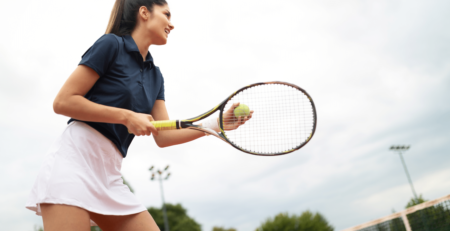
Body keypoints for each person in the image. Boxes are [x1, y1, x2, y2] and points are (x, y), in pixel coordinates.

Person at [25, 0, 250, 230]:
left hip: (110, 174)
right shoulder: (110, 45)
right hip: (72, 163)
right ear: (144, 12)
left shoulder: (156, 76)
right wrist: (127, 116)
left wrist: (216, 123)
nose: (171, 24)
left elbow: (164, 135)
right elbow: (63, 101)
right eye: (167, 15)